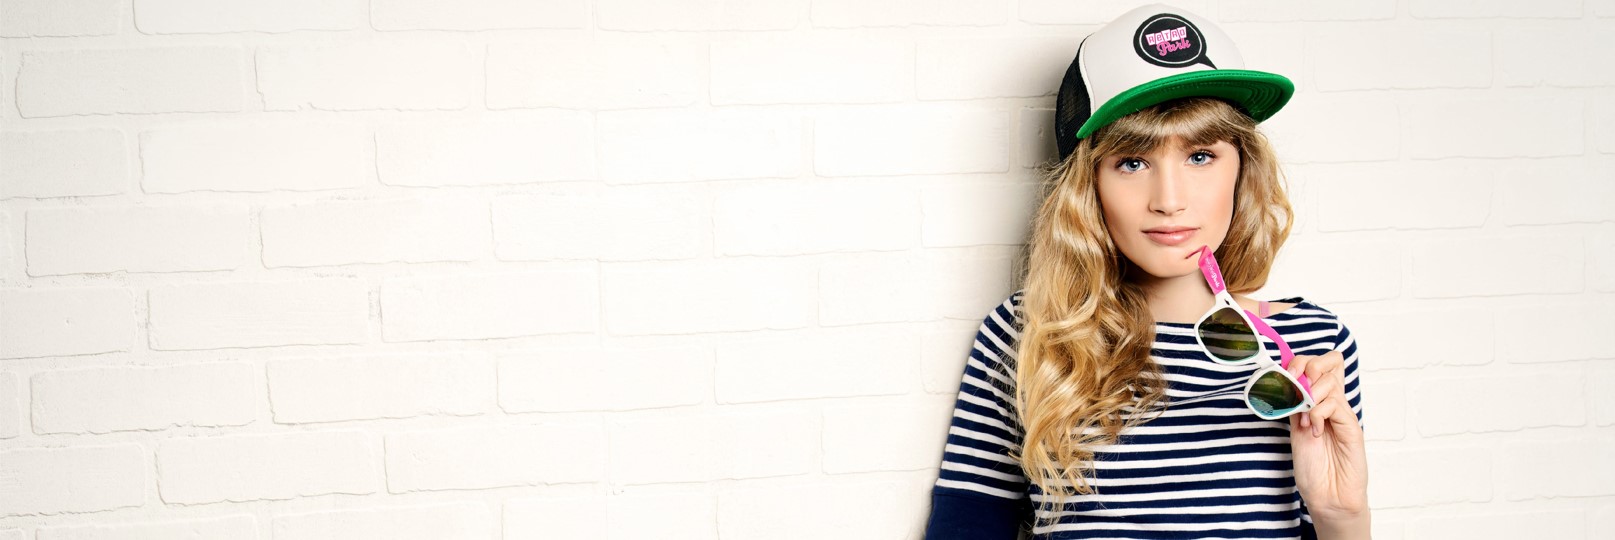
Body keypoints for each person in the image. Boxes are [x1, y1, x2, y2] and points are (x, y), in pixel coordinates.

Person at [924, 4, 1369, 539]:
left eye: (1200, 156)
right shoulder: (1029, 335)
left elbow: (1337, 512)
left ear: (1242, 169)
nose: (1169, 200)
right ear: (1088, 184)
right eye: (1132, 162)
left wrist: (1342, 515)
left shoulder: (1313, 346)